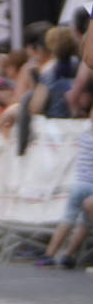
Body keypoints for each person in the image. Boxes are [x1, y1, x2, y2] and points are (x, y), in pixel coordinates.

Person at [35, 107, 93, 269]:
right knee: (84, 224)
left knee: (67, 220)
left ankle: (49, 254)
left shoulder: (85, 135)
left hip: (79, 183)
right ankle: (68, 254)